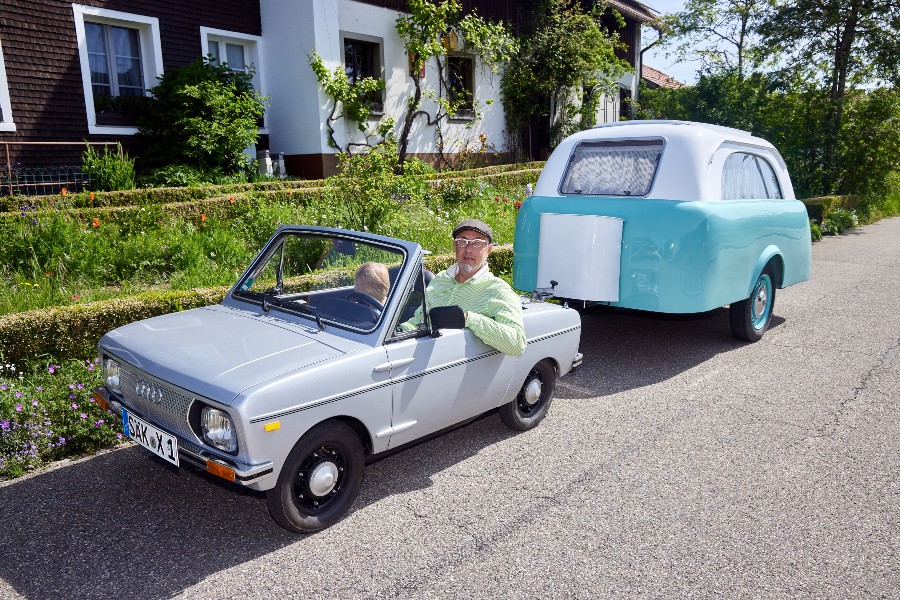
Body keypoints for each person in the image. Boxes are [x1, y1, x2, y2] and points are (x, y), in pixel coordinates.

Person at [402, 219, 526, 356]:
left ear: (488, 250)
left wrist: (468, 319)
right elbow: (418, 321)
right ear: (454, 246)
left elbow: (517, 344)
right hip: (421, 356)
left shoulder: (497, 290)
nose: (468, 249)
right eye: (462, 242)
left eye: (477, 243)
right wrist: (398, 334)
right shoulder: (440, 279)